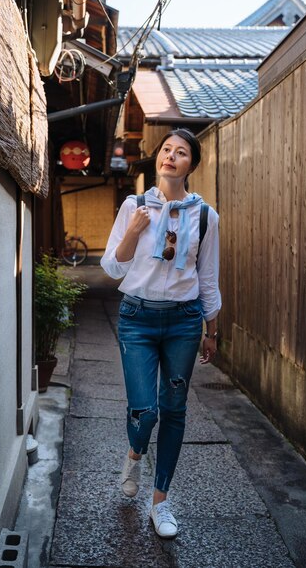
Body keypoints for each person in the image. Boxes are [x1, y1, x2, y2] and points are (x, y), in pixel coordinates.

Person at [100, 128, 221, 538]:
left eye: (181, 152)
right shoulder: (133, 206)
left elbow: (208, 278)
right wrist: (134, 230)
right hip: (137, 318)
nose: (171, 156)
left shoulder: (205, 217)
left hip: (185, 322)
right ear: (158, 159)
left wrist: (212, 330)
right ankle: (135, 452)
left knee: (174, 410)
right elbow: (113, 267)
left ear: (192, 164)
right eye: (166, 149)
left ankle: (161, 501)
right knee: (144, 411)